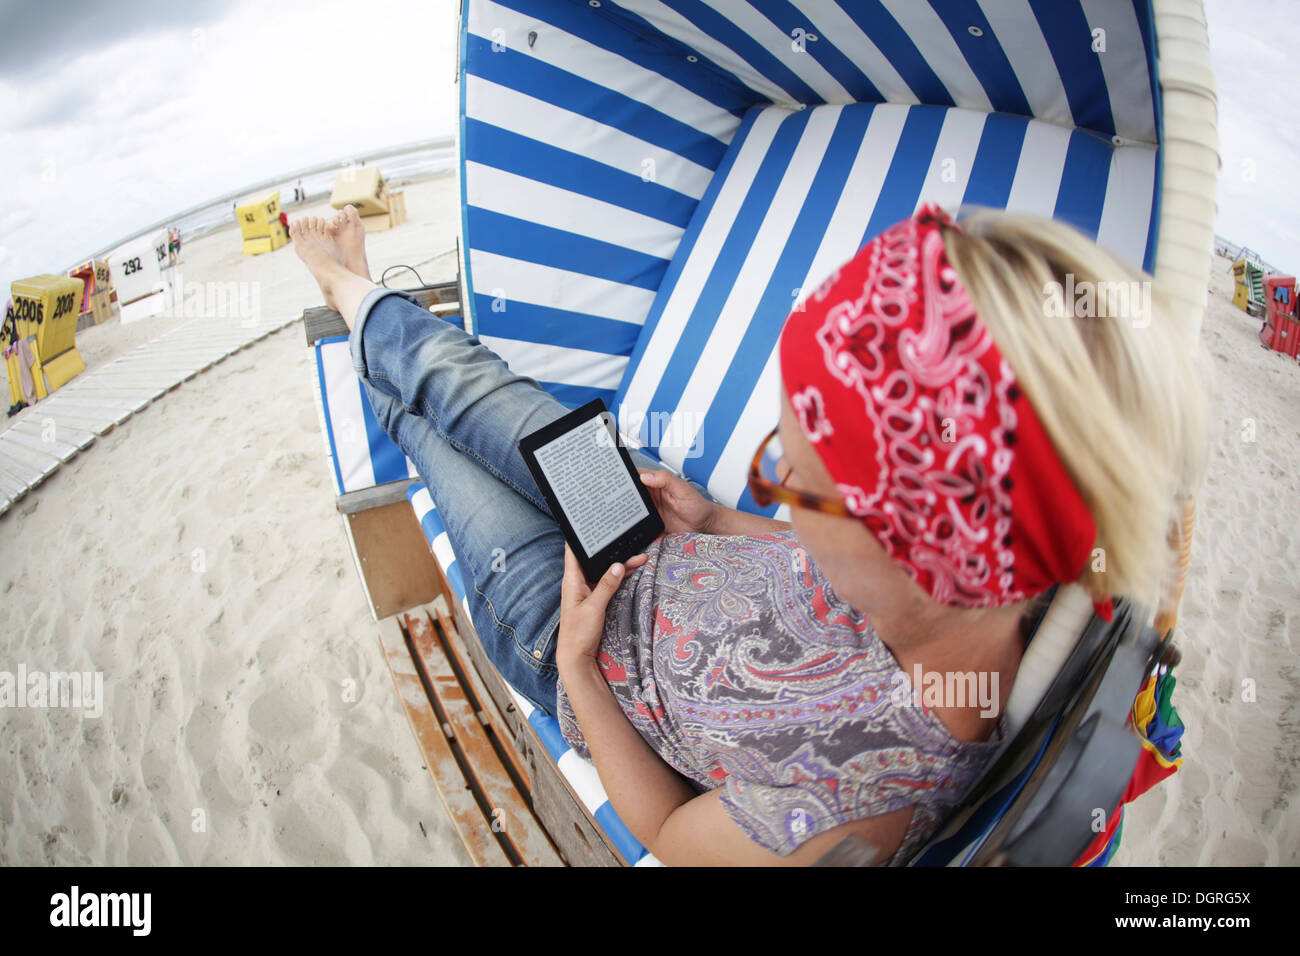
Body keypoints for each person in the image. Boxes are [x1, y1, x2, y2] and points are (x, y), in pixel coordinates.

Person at [290, 203, 1206, 866]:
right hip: (643, 528)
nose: (777, 482)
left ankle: (344, 301)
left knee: (425, 435)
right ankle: (349, 281)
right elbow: (844, 588)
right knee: (466, 386)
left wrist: (573, 666)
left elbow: (668, 835)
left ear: (924, 559)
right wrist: (719, 516)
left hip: (567, 629)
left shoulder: (853, 817)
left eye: (795, 479)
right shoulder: (978, 597)